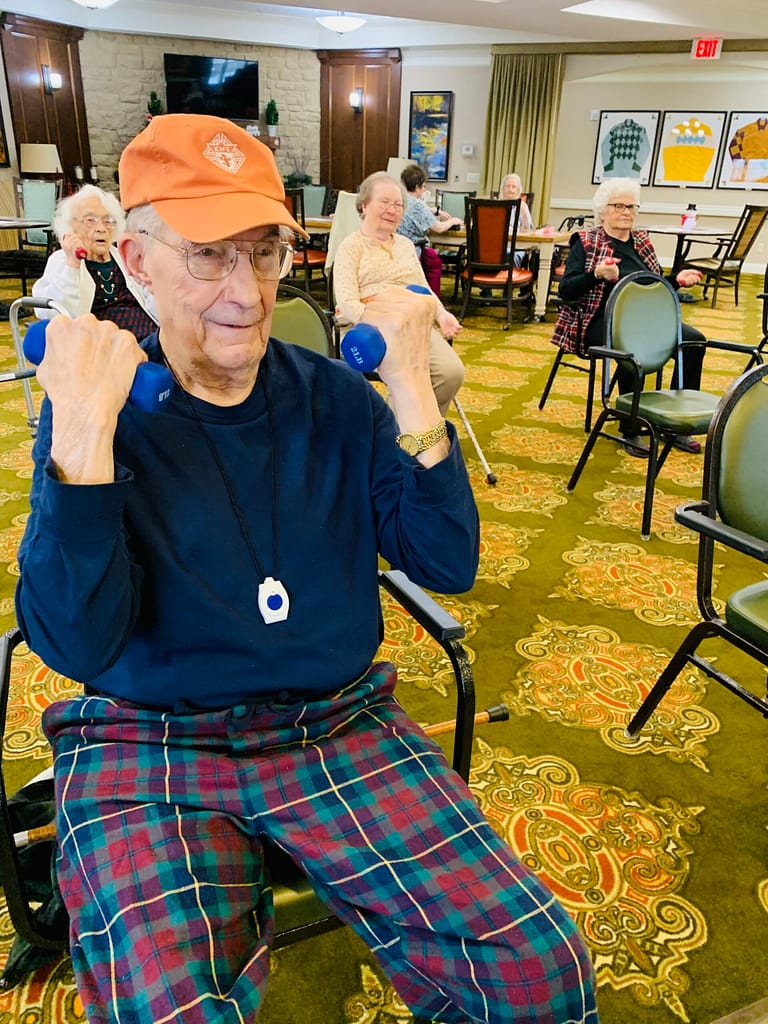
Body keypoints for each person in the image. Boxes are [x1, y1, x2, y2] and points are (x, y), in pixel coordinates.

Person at [15, 114, 597, 1024]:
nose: (245, 292)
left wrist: (413, 392)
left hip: (335, 723)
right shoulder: (98, 402)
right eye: (209, 255)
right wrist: (84, 437)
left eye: (265, 252)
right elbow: (74, 639)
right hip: (148, 738)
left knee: (540, 970)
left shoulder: (333, 394)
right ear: (133, 261)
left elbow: (446, 563)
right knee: (170, 1010)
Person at [552, 176, 706, 456]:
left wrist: (676, 281)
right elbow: (566, 290)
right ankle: (631, 428)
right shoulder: (586, 242)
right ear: (603, 210)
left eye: (631, 207)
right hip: (598, 321)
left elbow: (653, 284)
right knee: (632, 347)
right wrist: (596, 275)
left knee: (695, 342)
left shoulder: (643, 242)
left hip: (647, 319)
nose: (626, 212)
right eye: (618, 206)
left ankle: (676, 426)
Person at [334, 171, 465, 417]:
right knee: (408, 378)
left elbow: (423, 288)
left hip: (413, 322)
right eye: (384, 202)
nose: (392, 210)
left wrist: (442, 313)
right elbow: (347, 302)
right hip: (368, 327)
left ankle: (423, 431)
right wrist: (387, 321)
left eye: (398, 205)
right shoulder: (351, 246)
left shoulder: (405, 245)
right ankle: (400, 444)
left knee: (451, 373)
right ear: (364, 205)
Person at [31, 183, 157, 339]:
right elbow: (59, 315)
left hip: (148, 335)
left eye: (108, 221)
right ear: (70, 226)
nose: (101, 228)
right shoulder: (62, 261)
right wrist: (73, 264)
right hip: (103, 346)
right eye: (90, 220)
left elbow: (151, 296)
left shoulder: (121, 256)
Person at [397, 163, 463, 296]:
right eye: (424, 186)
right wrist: (453, 221)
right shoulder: (418, 206)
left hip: (399, 250)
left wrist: (435, 210)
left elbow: (416, 212)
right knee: (435, 262)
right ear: (417, 187)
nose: (424, 190)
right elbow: (439, 228)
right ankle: (432, 300)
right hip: (416, 251)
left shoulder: (399, 200)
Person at [499, 173, 534, 268]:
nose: (510, 190)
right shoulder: (496, 205)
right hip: (496, 245)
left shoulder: (522, 207)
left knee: (510, 255)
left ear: (518, 191)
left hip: (516, 246)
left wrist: (524, 212)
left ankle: (510, 280)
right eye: (507, 186)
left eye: (513, 187)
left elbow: (527, 231)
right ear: (502, 189)